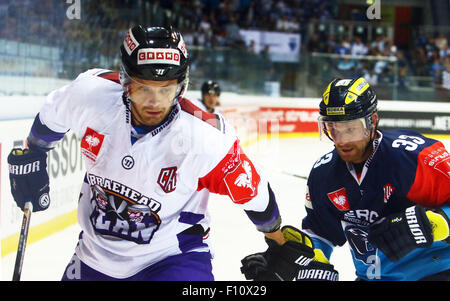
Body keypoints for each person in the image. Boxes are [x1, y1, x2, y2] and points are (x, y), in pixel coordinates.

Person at [7, 25, 314, 281]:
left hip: (172, 260)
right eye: (144, 88)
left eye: (166, 89)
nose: (155, 102)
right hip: (95, 256)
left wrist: (276, 239)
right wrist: (35, 153)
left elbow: (253, 193)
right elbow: (49, 120)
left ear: (182, 85)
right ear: (125, 80)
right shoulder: (90, 95)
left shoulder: (206, 137)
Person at [241, 77, 449, 281]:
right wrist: (302, 261)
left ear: (372, 122)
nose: (341, 141)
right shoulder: (323, 175)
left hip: (436, 272)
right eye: (333, 129)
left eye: (350, 129)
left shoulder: (416, 158)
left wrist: (435, 222)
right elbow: (321, 233)